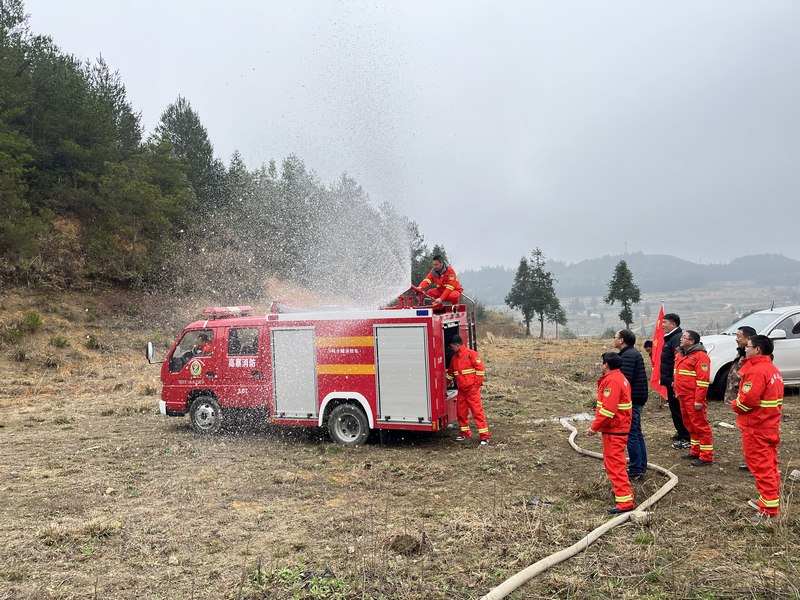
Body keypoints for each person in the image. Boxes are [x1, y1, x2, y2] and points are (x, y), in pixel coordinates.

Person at [732, 335, 784, 518]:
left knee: (761, 467)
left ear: (757, 350)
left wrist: (735, 404)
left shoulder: (756, 371)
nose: (745, 349)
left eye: (748, 346)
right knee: (770, 464)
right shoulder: (772, 369)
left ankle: (769, 510)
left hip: (756, 426)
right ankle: (770, 499)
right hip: (769, 425)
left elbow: (748, 401)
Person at [586, 352, 634, 514]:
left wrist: (594, 427)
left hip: (615, 429)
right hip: (617, 428)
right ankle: (623, 495)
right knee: (614, 463)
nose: (601, 365)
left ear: (606, 364)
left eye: (602, 362)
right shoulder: (619, 378)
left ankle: (624, 501)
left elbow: (608, 410)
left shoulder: (612, 381)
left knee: (615, 465)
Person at [673, 330, 714, 466]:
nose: (681, 339)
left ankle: (706, 456)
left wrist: (698, 400)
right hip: (683, 396)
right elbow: (677, 374)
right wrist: (677, 391)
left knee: (700, 426)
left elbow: (703, 381)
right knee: (689, 425)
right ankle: (695, 451)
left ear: (692, 341)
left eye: (684, 337)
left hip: (693, 398)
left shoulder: (701, 357)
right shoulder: (680, 354)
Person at [614, 330, 649, 480]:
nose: (614, 339)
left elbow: (624, 381)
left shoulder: (627, 356)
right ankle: (641, 465)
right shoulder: (631, 353)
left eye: (615, 337)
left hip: (632, 400)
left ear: (621, 340)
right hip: (637, 398)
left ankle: (635, 469)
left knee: (632, 434)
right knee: (636, 432)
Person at [722, 325, 758, 472]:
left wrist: (740, 403)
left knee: (754, 434)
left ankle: (755, 463)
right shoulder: (743, 353)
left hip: (748, 403)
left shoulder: (753, 359)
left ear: (748, 338)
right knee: (748, 434)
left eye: (739, 336)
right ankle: (752, 461)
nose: (736, 339)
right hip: (741, 399)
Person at [446, 335, 490, 445]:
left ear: (457, 345)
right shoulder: (454, 358)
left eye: (452, 346)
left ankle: (485, 437)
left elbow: (480, 371)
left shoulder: (472, 354)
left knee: (477, 413)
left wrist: (475, 386)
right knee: (461, 413)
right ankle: (465, 433)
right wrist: (443, 385)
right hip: (462, 391)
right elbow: (450, 374)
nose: (451, 348)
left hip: (472, 391)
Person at [660, 313, 691, 448]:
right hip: (669, 380)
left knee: (679, 409)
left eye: (665, 322)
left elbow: (679, 362)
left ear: (673, 324)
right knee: (674, 408)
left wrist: (674, 380)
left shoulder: (677, 338)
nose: (662, 325)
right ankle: (680, 432)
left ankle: (686, 436)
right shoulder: (670, 338)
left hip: (675, 382)